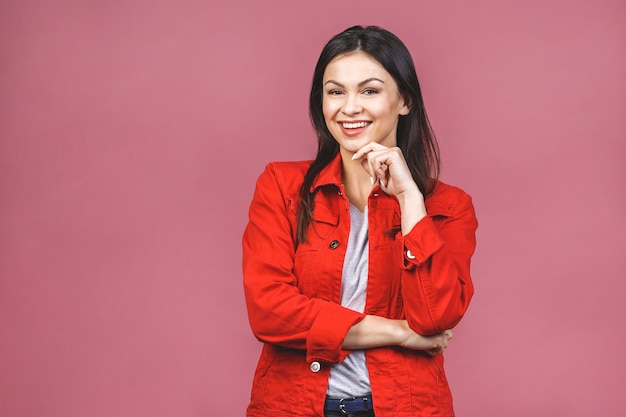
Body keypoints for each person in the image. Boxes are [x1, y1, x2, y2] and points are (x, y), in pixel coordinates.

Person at [242, 25, 478, 417]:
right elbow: (269, 310)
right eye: (335, 91)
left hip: (405, 407)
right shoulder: (282, 187)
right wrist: (400, 333)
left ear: (405, 100)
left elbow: (436, 317)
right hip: (292, 406)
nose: (349, 107)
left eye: (369, 90)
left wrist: (409, 199)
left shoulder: (448, 206)